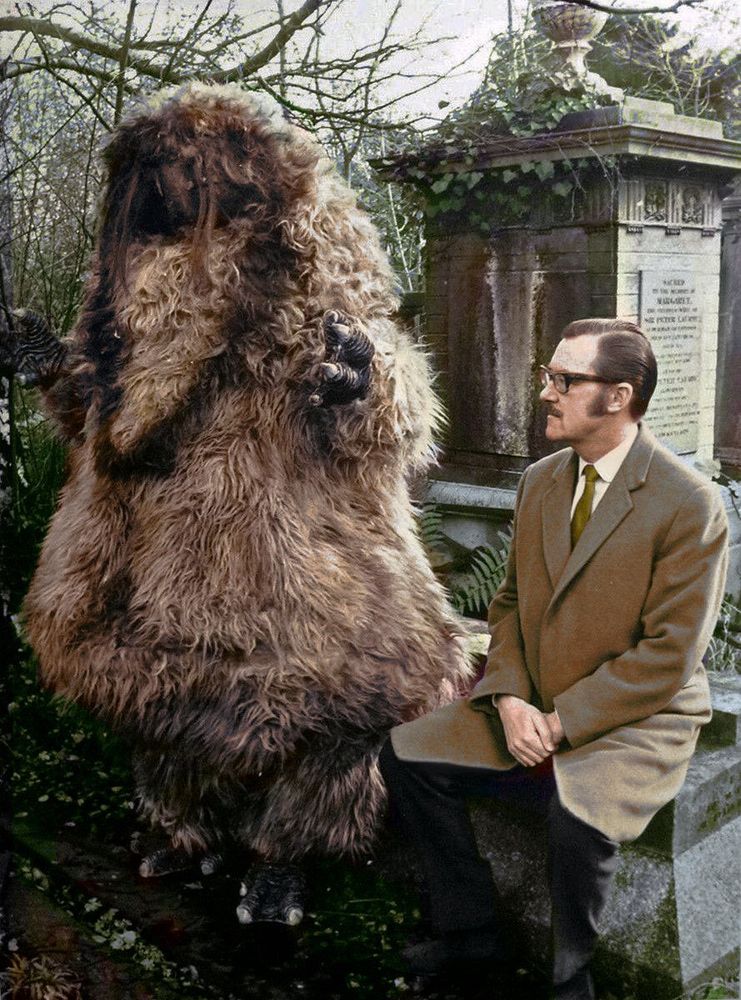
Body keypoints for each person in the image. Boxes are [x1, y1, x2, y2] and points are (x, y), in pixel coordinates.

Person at [379, 318, 728, 1000]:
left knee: (577, 818)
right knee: (406, 755)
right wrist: (509, 698)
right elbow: (506, 606)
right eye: (550, 376)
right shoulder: (540, 481)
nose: (546, 392)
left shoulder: (688, 504)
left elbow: (666, 656)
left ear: (618, 397)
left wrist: (560, 723)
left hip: (634, 715)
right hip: (530, 696)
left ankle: (572, 976)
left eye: (564, 380)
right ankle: (471, 933)